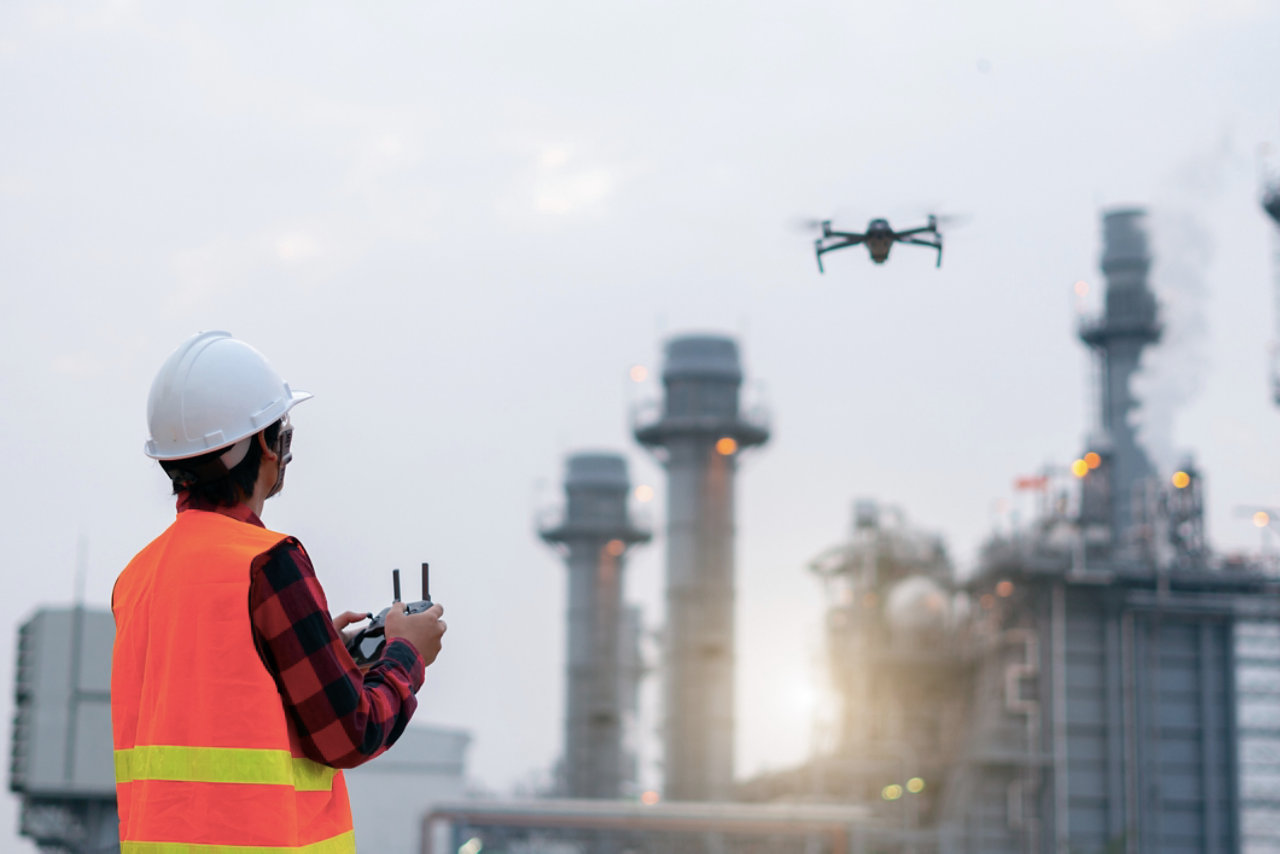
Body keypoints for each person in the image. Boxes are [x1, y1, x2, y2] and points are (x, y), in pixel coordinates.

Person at [111, 330, 446, 853]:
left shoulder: (136, 579)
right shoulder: (269, 564)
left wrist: (315, 657)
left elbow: (219, 712)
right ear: (268, 444)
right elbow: (353, 732)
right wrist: (407, 653)